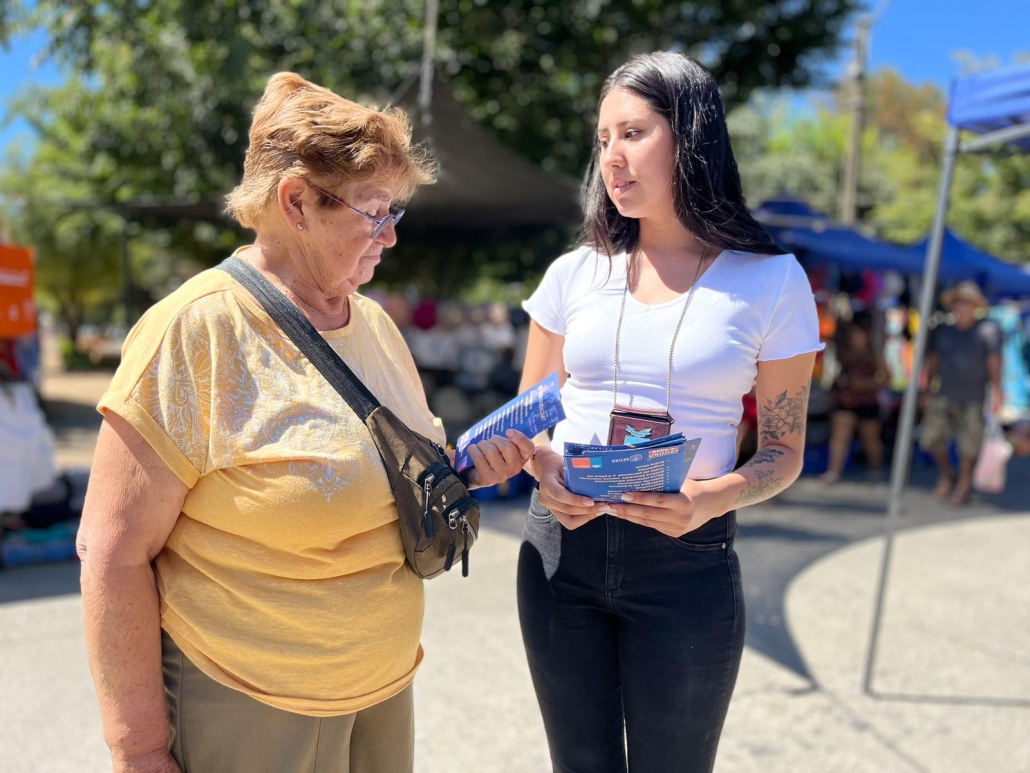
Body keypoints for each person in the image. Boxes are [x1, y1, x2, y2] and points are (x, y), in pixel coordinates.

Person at [76, 72, 533, 773]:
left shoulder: (374, 326)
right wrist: (136, 749)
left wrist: (467, 471)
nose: (390, 236)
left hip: (383, 692)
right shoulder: (196, 330)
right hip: (250, 707)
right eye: (374, 212)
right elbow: (110, 550)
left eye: (395, 212)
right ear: (295, 202)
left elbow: (391, 473)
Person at [516, 52, 823, 773]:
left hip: (686, 562)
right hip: (561, 551)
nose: (611, 158)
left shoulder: (773, 281)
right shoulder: (574, 272)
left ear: (691, 135)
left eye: (633, 133)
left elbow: (783, 452)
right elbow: (530, 414)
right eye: (602, 139)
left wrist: (711, 499)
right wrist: (543, 466)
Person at [919, 281, 1002, 505]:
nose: (961, 307)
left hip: (974, 396)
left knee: (969, 446)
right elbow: (934, 361)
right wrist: (926, 389)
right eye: (958, 302)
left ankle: (963, 485)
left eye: (966, 303)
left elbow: (994, 362)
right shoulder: (944, 331)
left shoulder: (987, 330)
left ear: (975, 306)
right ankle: (947, 474)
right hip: (945, 393)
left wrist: (997, 391)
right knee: (932, 439)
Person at [820, 322, 888, 483]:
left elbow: (886, 379)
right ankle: (834, 472)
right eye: (851, 335)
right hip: (845, 401)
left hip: (867, 401)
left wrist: (864, 384)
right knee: (839, 436)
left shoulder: (874, 355)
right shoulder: (841, 354)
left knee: (870, 438)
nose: (854, 338)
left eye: (858, 334)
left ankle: (876, 469)